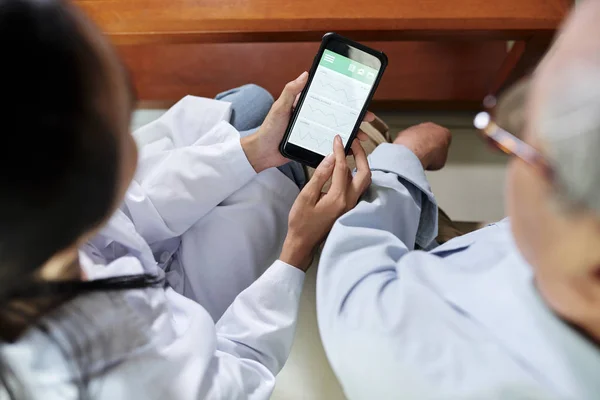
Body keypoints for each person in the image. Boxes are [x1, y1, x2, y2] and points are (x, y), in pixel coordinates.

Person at [0, 0, 371, 398]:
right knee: (278, 159)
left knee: (252, 107)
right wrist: (298, 250)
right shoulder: (134, 362)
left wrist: (254, 151)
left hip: (146, 281)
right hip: (200, 331)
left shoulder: (30, 216)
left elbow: (132, 214)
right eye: (125, 119)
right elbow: (243, 369)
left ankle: (273, 160)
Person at [315, 1, 600, 399]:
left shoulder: (400, 352)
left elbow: (356, 278)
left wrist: (405, 154)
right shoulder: (565, 260)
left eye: (516, 131)